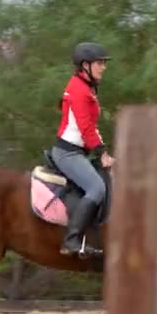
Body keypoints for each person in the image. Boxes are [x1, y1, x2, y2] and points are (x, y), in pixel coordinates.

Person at [51, 42, 115, 256]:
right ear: (85, 65)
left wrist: (103, 150)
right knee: (97, 188)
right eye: (100, 63)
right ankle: (71, 240)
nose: (103, 67)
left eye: (104, 63)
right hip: (67, 153)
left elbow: (92, 128)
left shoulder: (86, 88)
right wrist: (102, 154)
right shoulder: (78, 89)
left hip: (79, 152)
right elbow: (84, 126)